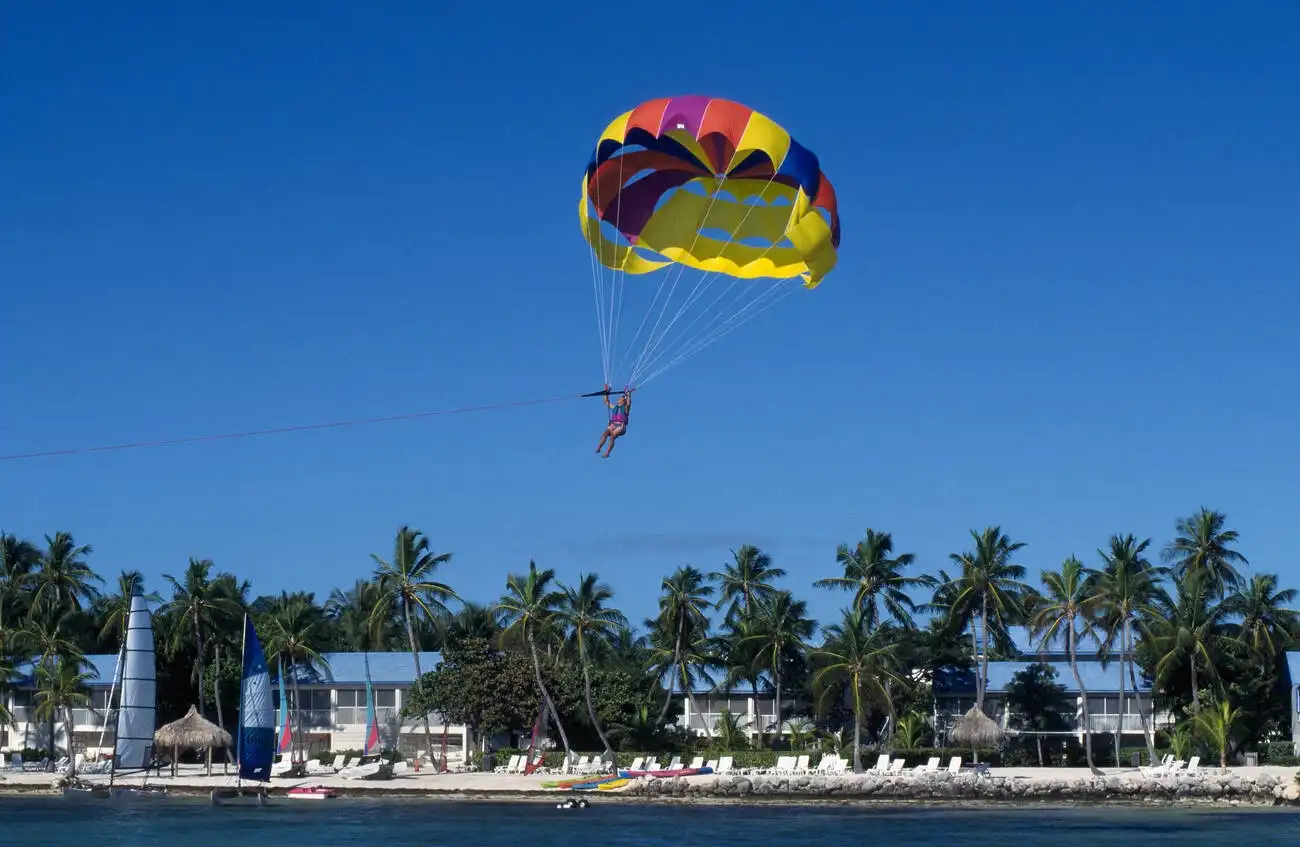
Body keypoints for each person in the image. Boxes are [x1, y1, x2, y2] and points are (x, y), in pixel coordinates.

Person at [595, 384, 632, 457]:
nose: (620, 398)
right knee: (605, 434)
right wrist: (606, 392)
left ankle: (607, 452)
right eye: (620, 398)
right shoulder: (614, 407)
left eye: (622, 397)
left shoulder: (625, 408)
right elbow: (606, 401)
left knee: (612, 436)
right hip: (613, 425)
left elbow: (629, 403)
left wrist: (628, 395)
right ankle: (599, 448)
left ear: (624, 401)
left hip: (621, 426)